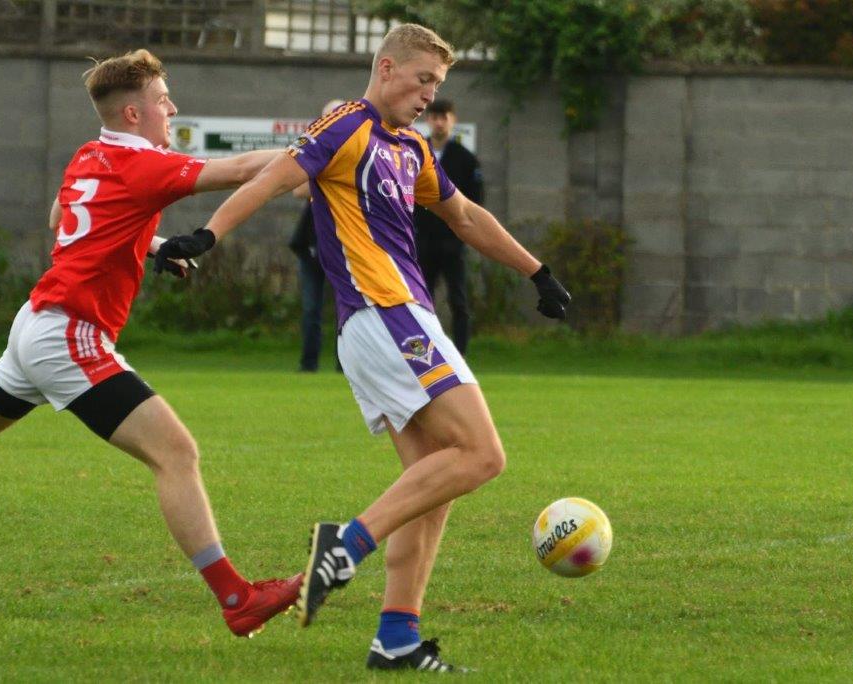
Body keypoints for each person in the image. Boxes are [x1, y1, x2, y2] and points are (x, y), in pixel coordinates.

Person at [156, 24, 570, 671]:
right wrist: (206, 238)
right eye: (422, 80)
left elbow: (463, 218)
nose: (430, 96)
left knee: (431, 485)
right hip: (385, 315)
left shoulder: (411, 147)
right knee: (483, 455)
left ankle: (397, 637)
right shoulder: (347, 125)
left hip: (395, 319)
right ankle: (345, 548)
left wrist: (536, 271)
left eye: (438, 85)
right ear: (385, 68)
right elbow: (272, 179)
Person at [0, 49, 301, 638]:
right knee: (177, 454)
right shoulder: (144, 166)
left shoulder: (90, 154)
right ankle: (236, 598)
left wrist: (149, 244)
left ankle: (236, 596)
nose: (173, 107)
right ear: (135, 114)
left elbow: (62, 215)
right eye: (164, 99)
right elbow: (244, 169)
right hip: (69, 333)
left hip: (36, 326)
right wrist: (319, 152)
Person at [414, 99, 483, 355]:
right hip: (422, 242)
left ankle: (460, 356)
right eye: (434, 117)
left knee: (458, 300)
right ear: (428, 120)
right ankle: (424, 354)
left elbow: (475, 202)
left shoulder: (465, 159)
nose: (439, 122)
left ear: (453, 120)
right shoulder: (417, 153)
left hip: (452, 243)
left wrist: (463, 236)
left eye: (444, 117)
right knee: (421, 302)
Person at [288, 99, 344, 372]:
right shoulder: (310, 149)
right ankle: (308, 364)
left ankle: (344, 365)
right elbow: (298, 190)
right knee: (312, 309)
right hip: (311, 242)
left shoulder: (355, 150)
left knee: (346, 310)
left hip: (343, 243)